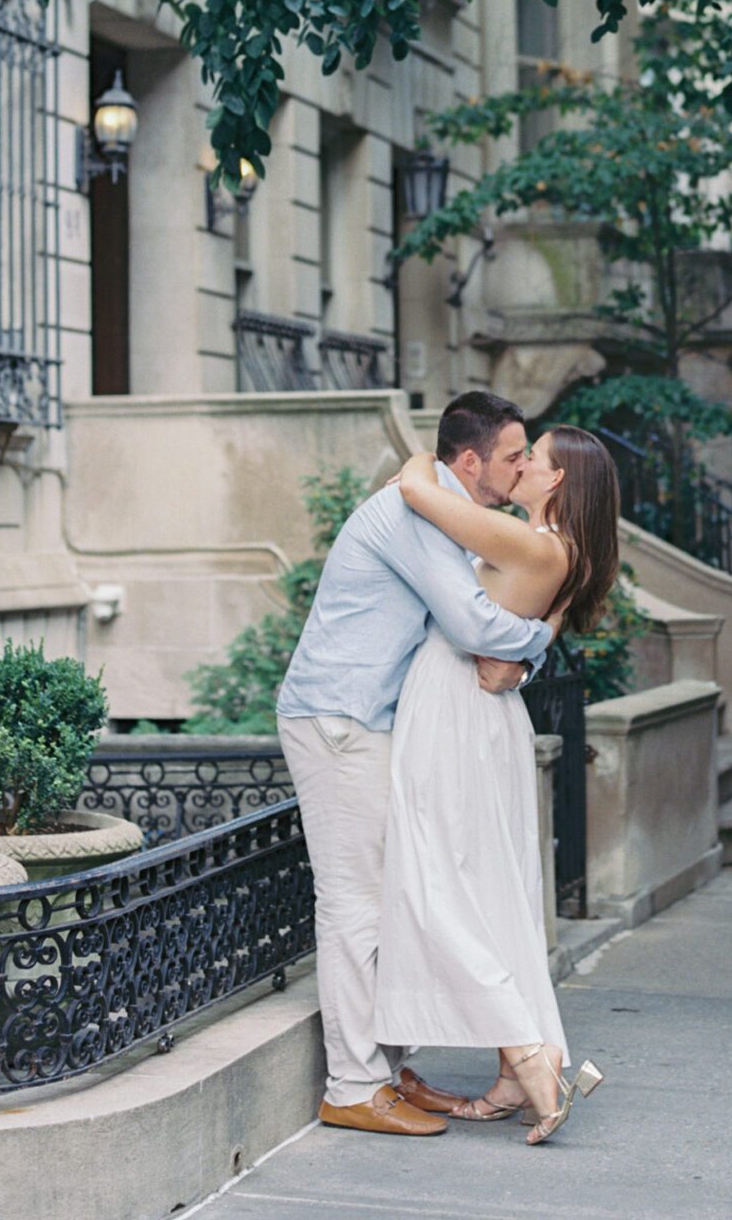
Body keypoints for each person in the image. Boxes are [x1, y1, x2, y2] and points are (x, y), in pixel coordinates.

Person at [275, 391, 553, 1138]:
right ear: (470, 462)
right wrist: (542, 642)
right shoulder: (414, 512)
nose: (524, 466)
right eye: (513, 456)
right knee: (355, 906)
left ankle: (388, 1070)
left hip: (367, 722)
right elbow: (467, 620)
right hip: (338, 722)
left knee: (390, 897)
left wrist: (523, 653)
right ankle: (353, 1085)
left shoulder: (438, 506)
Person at [375, 425, 619, 1145]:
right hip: (484, 714)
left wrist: (432, 452)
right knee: (492, 892)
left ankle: (528, 1054)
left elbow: (418, 484)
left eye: (531, 459)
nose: (518, 467)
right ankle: (518, 1075)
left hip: (453, 708)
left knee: (434, 882)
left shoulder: (530, 541)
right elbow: (530, 634)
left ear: (557, 483)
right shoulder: (560, 553)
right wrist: (533, 648)